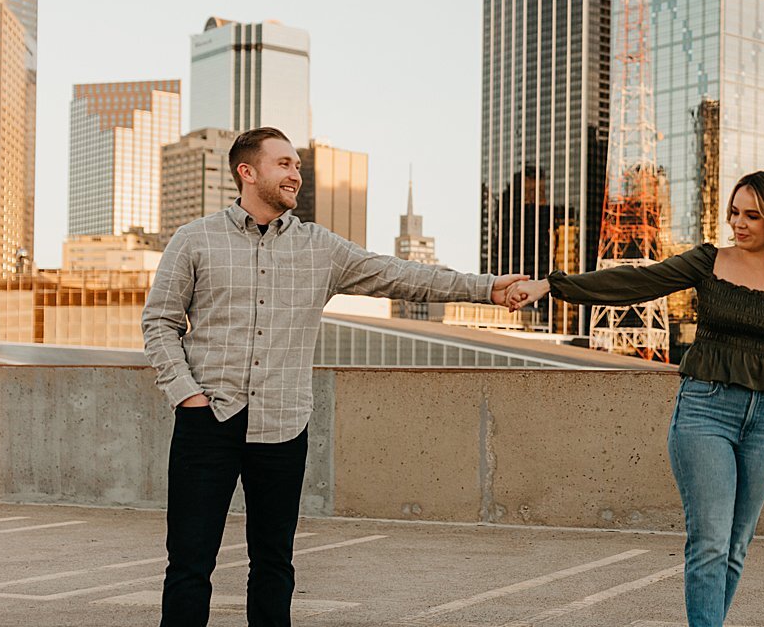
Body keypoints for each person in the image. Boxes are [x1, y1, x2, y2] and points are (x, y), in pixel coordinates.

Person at [141, 127, 531, 627]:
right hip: (207, 420)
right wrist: (187, 395)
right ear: (247, 172)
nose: (294, 174)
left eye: (297, 166)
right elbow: (160, 322)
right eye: (283, 164)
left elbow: (401, 274)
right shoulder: (195, 239)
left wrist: (488, 288)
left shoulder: (319, 247)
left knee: (274, 563)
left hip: (282, 425)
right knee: (190, 563)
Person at [507, 169, 764, 627]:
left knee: (735, 547)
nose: (739, 223)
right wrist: (552, 286)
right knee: (710, 542)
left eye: (752, 215)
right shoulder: (708, 261)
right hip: (705, 411)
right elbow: (636, 282)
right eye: (734, 212)